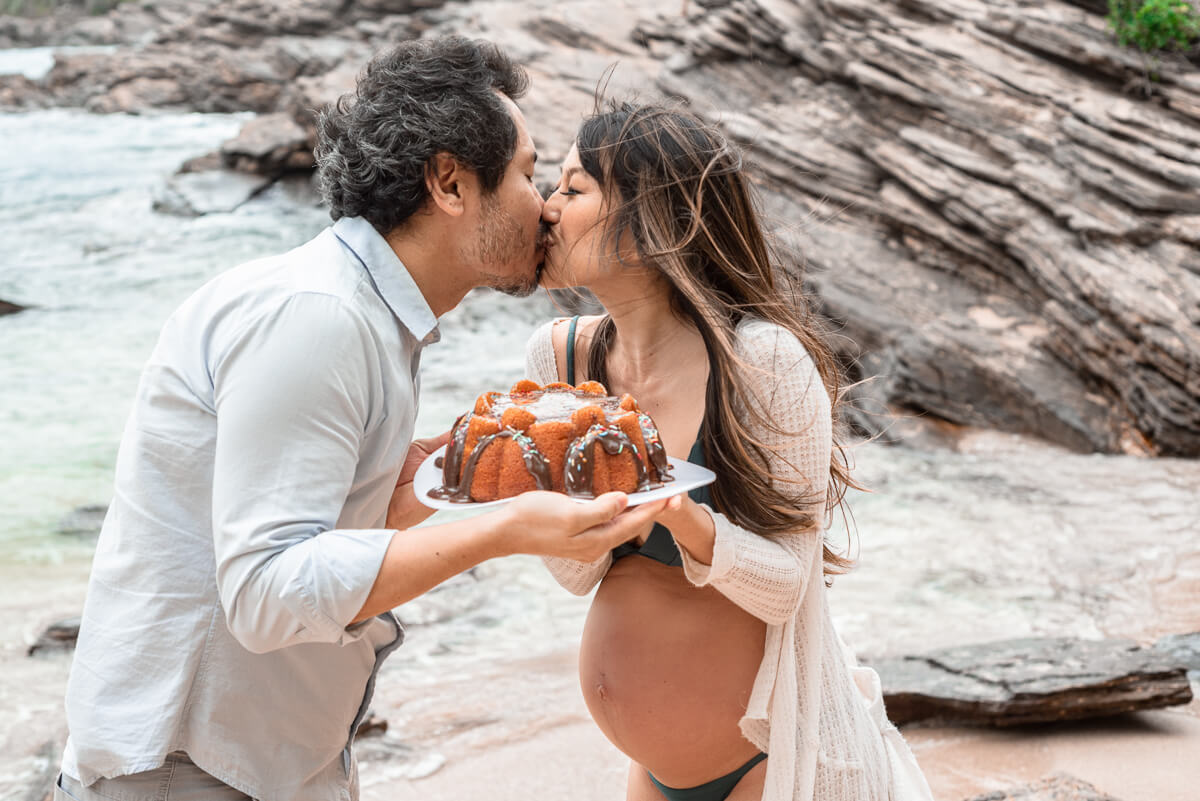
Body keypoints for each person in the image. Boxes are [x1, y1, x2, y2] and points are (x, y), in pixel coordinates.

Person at [56, 37, 667, 801]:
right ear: (449, 181)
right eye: (526, 173)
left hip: (262, 762)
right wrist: (506, 527)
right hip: (186, 770)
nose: (543, 205)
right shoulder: (321, 316)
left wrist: (450, 477)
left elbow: (310, 525)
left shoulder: (364, 314)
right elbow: (267, 591)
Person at [525, 102, 935, 801]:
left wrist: (686, 519)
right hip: (652, 771)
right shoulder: (560, 356)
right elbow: (574, 573)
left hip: (778, 757)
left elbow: (787, 587)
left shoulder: (763, 364)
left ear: (654, 219)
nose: (547, 208)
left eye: (573, 187)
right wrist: (546, 494)